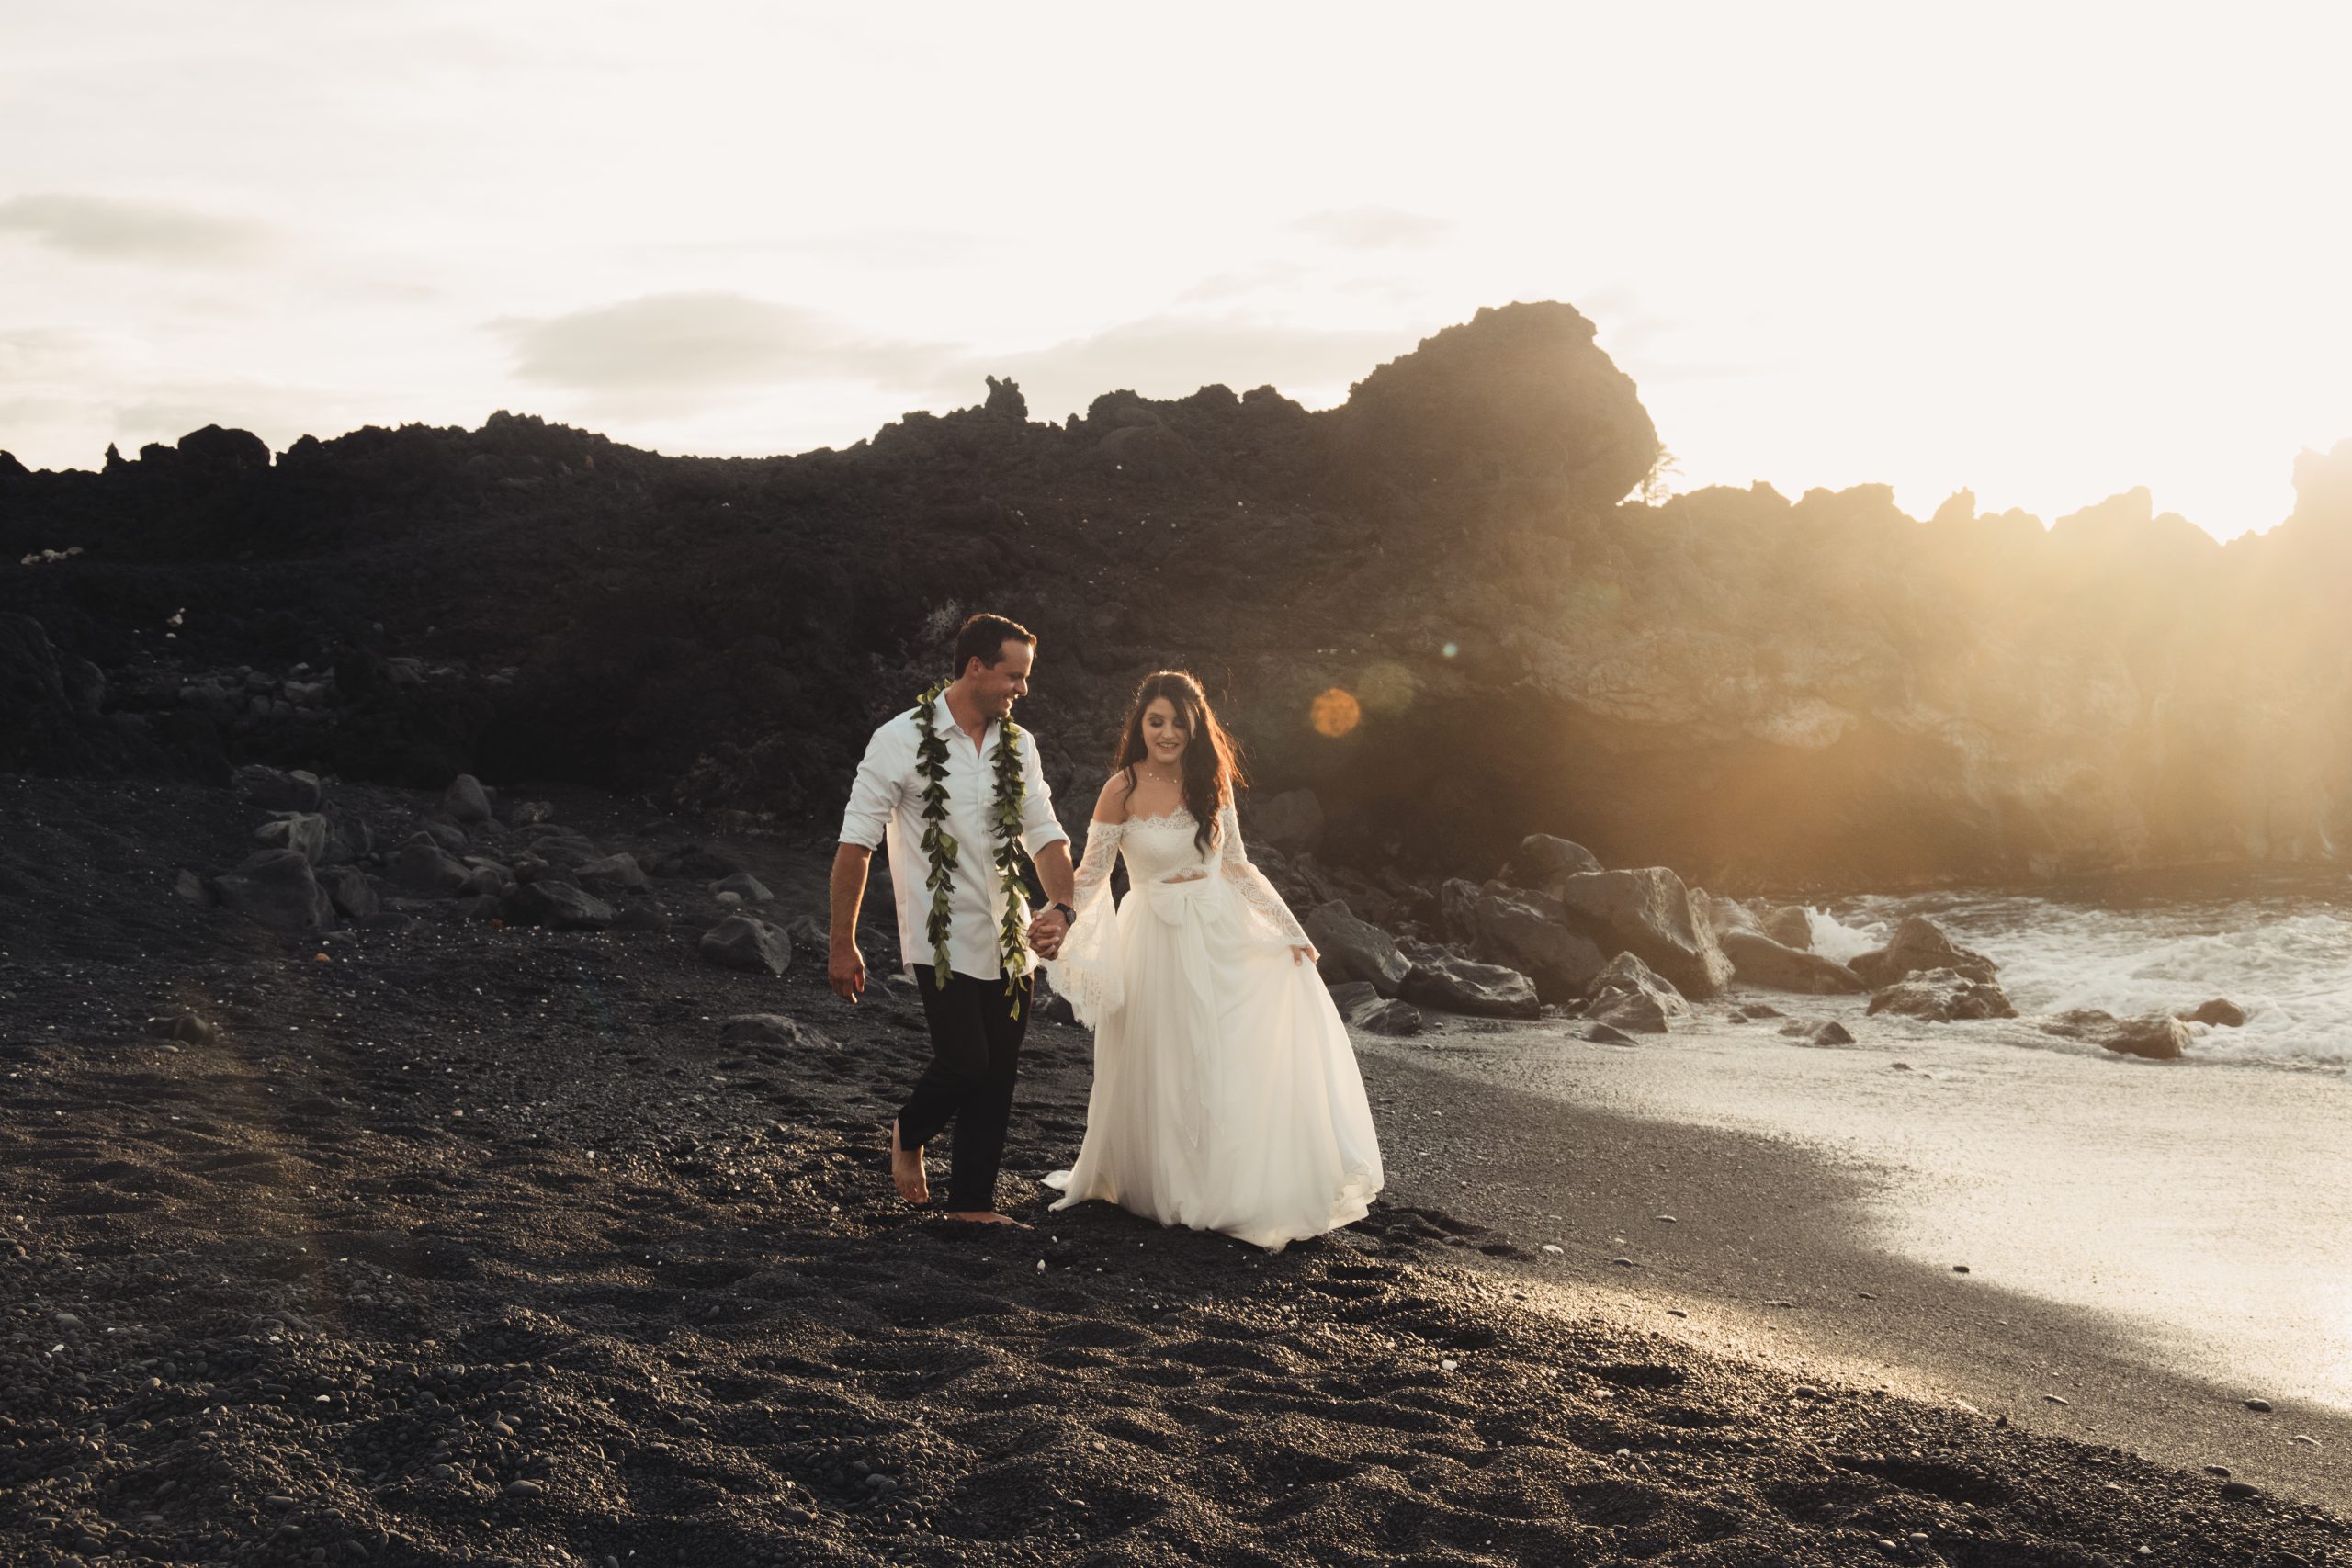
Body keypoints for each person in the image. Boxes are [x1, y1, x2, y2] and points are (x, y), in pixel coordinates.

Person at [1031, 671, 1384, 1252]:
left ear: (1196, 728)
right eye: (1156, 721)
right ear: (1140, 726)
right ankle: (1165, 1181)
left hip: (1219, 931)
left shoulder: (1209, 783)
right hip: (1155, 939)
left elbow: (1238, 865)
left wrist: (1290, 931)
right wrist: (1058, 916)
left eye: (1178, 722)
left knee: (1222, 1056)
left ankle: (1222, 1180)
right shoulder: (1120, 788)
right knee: (1165, 1059)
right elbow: (1092, 876)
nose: (1167, 733)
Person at [830, 614, 1078, 1226]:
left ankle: (971, 1205)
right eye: (1013, 675)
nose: (1022, 689)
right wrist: (843, 940)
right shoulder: (899, 740)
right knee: (965, 1060)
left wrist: (1061, 908)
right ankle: (909, 1130)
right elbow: (856, 844)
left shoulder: (1018, 746)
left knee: (998, 1073)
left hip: (1009, 933)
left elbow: (1046, 836)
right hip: (938, 936)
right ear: (975, 667)